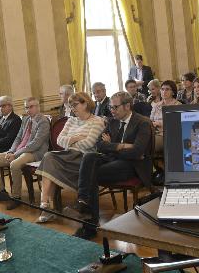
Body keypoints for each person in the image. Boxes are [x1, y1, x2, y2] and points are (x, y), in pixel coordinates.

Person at [63, 92, 152, 239]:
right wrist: (121, 146)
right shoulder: (112, 121)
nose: (112, 110)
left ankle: (89, 224)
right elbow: (99, 145)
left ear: (127, 106)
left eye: (115, 107)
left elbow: (137, 152)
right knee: (90, 156)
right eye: (110, 106)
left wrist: (112, 146)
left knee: (91, 173)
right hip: (114, 160)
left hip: (133, 166)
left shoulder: (142, 122)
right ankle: (83, 201)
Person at [35, 92, 105, 223]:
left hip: (84, 159)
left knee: (49, 162)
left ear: (85, 103)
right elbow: (59, 140)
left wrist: (69, 140)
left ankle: (46, 210)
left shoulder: (97, 121)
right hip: (67, 155)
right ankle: (44, 203)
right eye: (71, 105)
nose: (72, 108)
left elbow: (89, 144)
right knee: (49, 157)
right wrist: (75, 138)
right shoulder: (71, 120)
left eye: (75, 105)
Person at [0, 97, 50, 210]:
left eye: (31, 107)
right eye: (26, 107)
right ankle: (1, 192)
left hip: (34, 153)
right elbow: (18, 138)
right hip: (18, 150)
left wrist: (15, 154)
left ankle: (16, 197)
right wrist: (11, 151)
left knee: (14, 164)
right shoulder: (25, 120)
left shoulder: (43, 121)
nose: (28, 110)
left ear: (38, 107)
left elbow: (36, 144)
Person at [149, 80, 181, 152]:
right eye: (162, 89)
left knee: (147, 145)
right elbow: (150, 121)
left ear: (173, 92)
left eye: (167, 89)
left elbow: (175, 125)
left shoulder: (177, 105)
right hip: (154, 133)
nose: (164, 92)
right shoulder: (156, 105)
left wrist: (158, 123)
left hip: (168, 136)